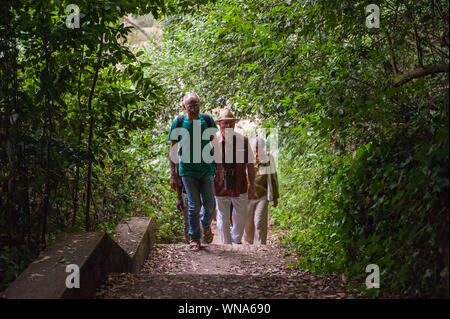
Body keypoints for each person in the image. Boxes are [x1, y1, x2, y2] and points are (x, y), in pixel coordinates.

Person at [168, 92, 223, 251]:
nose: (194, 109)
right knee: (194, 205)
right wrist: (173, 174)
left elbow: (215, 146)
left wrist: (219, 169)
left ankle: (206, 225)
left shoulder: (207, 120)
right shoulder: (178, 123)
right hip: (187, 170)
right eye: (191, 106)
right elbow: (173, 149)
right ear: (184, 107)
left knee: (210, 204)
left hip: (206, 169)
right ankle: (194, 238)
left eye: (197, 105)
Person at [214, 109, 255, 244]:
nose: (228, 126)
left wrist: (252, 185)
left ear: (234, 125)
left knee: (242, 214)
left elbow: (250, 164)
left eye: (230, 123)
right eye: (225, 123)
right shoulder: (213, 141)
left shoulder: (243, 140)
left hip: (239, 182)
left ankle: (236, 240)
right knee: (223, 215)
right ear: (219, 124)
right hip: (220, 183)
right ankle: (226, 244)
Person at [243, 135, 279, 245]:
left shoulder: (268, 158)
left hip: (262, 195)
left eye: (259, 151)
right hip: (248, 195)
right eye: (255, 151)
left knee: (259, 222)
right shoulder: (247, 158)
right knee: (248, 224)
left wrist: (275, 196)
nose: (257, 154)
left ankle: (260, 245)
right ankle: (248, 245)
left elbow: (273, 177)